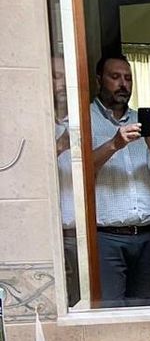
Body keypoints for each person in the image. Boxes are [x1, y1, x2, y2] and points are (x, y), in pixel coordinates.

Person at [89, 54, 150, 306]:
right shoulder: (84, 120)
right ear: (99, 80)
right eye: (115, 77)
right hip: (106, 237)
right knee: (111, 310)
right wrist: (114, 144)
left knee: (142, 311)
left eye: (128, 78)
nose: (123, 84)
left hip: (148, 236)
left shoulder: (144, 121)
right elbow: (79, 170)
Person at [52, 55, 80, 307]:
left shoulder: (85, 122)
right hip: (50, 235)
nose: (61, 83)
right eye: (55, 76)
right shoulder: (35, 124)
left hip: (85, 235)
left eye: (65, 76)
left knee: (85, 304)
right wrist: (60, 146)